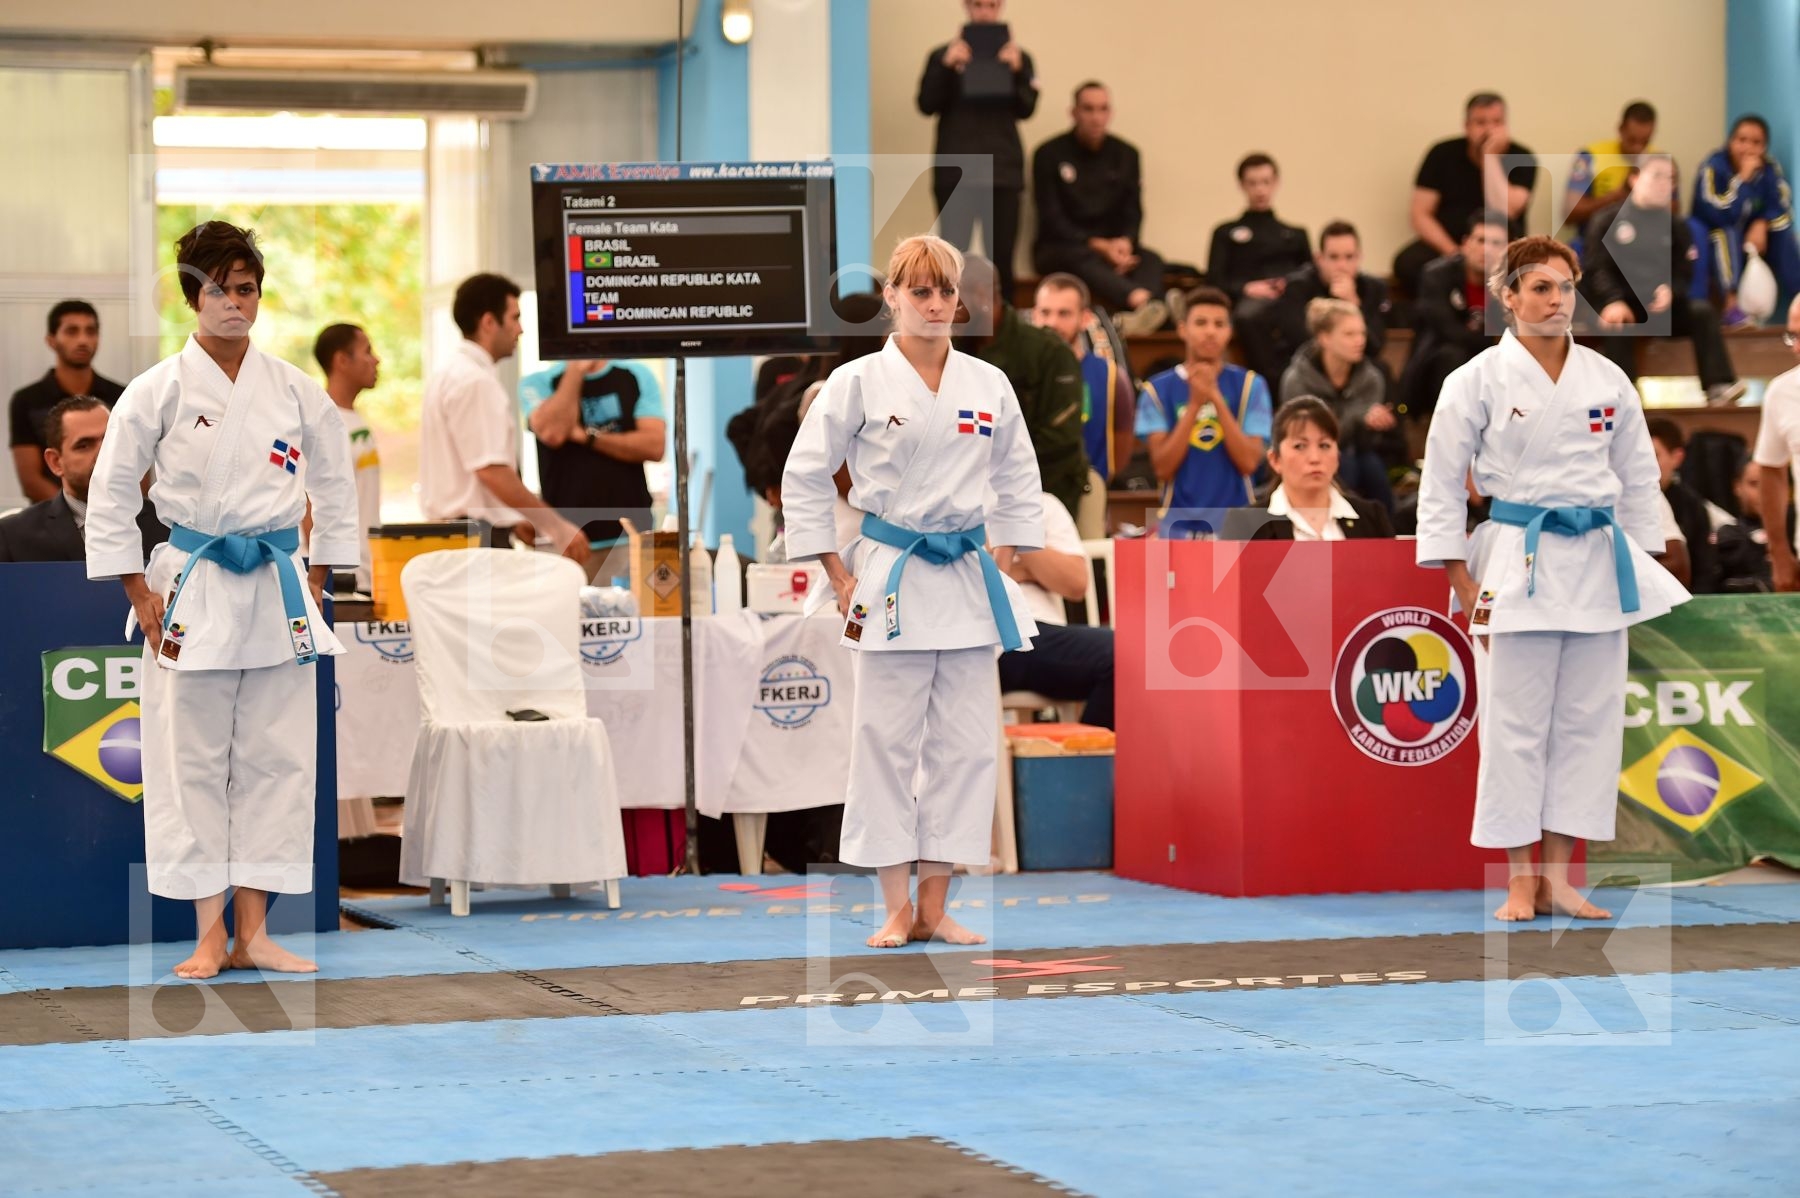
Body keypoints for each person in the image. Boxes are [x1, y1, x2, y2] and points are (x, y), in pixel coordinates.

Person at [84, 221, 361, 979]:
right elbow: (112, 491)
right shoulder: (157, 390)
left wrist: (320, 575)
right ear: (192, 298)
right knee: (190, 762)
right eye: (219, 291)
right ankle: (209, 934)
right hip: (193, 585)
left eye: (247, 289)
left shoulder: (294, 390)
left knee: (279, 759)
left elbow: (336, 485)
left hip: (277, 585)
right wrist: (136, 586)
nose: (235, 303)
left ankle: (256, 932)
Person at [780, 234, 1044, 949]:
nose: (934, 303)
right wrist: (836, 573)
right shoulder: (858, 381)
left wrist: (1002, 559)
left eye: (945, 291)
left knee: (967, 747)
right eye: (919, 291)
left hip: (964, 579)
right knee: (884, 743)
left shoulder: (987, 384)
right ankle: (895, 905)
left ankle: (936, 906)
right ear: (891, 296)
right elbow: (805, 474)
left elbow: (1019, 478)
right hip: (890, 574)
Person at [1415, 235, 1687, 923]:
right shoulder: (1475, 379)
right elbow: (1441, 485)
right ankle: (1519, 880)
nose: (1558, 299)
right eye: (1541, 287)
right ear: (1507, 297)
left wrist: (1641, 566)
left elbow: (1639, 480)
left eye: (1566, 287)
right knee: (1514, 724)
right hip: (1514, 560)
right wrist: (1460, 581)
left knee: (1587, 725)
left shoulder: (1607, 379)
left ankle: (1560, 879)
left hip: (1596, 562)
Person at [418, 273, 587, 565]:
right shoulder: (475, 381)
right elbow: (491, 471)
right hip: (475, 541)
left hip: (457, 537)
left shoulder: (449, 374)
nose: (520, 329)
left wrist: (513, 516)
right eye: (514, 318)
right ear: (488, 322)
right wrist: (556, 527)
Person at [1582, 157, 1742, 405]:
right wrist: (1612, 300)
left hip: (1660, 307)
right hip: (1619, 304)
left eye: (1670, 179)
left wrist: (1671, 291)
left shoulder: (1676, 225)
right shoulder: (1606, 220)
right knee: (1617, 322)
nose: (1664, 184)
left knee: (1702, 312)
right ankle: (1625, 397)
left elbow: (1683, 272)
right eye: (1657, 176)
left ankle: (1719, 385)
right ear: (1634, 179)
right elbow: (1596, 268)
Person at [917, 0, 1038, 297]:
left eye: (992, 5)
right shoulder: (941, 56)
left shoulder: (1020, 58)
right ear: (966, 6)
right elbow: (926, 103)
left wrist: (1017, 71)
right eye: (978, 5)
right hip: (956, 171)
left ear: (1001, 7)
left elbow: (1027, 108)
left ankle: (1004, 321)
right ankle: (950, 320)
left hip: (1002, 171)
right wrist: (947, 67)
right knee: (952, 258)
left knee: (1002, 259)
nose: (985, 12)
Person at [956, 255, 1089, 519]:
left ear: (981, 295)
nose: (940, 307)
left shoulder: (1048, 351)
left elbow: (1059, 441)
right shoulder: (951, 351)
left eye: (952, 296)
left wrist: (994, 480)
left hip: (1043, 499)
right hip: (966, 501)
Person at [1031, 82, 1168, 336]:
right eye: (1088, 109)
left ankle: (1140, 315)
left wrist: (1125, 243)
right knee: (1079, 257)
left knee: (1151, 258)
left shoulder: (1127, 154)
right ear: (1074, 113)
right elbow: (1051, 218)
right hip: (1063, 248)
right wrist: (1098, 246)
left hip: (1112, 247)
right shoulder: (1048, 153)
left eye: (1102, 109)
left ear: (1110, 113)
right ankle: (1142, 301)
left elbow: (1133, 211)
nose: (1096, 117)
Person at [1136, 285, 1272, 537]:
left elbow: (1248, 462)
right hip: (1177, 526)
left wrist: (1216, 398)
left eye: (1219, 324)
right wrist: (1195, 404)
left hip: (1237, 523)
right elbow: (1163, 468)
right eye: (1201, 323)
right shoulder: (1155, 390)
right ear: (1182, 329)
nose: (1210, 331)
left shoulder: (1252, 386)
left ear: (1229, 331)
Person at [518, 358, 666, 563]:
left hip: (630, 537)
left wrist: (586, 437)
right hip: (567, 541)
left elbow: (654, 446)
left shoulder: (636, 375)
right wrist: (576, 369)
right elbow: (553, 432)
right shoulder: (538, 382)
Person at [1393, 93, 1536, 297]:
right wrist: (1456, 254)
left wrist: (1490, 158)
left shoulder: (1523, 157)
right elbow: (1420, 214)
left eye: (1496, 122)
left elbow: (1507, 211)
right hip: (1451, 243)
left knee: (1527, 271)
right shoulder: (1442, 154)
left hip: (1503, 246)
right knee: (1407, 263)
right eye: (1480, 122)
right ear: (1467, 126)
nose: (1488, 130)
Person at [998, 489, 1114, 728]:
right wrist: (1036, 570)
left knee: (1127, 654)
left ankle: (1083, 747)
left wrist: (1013, 534)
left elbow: (1075, 583)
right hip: (987, 639)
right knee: (1119, 653)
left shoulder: (1043, 504)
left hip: (1043, 635)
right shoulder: (954, 506)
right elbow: (974, 581)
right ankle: (1085, 750)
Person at [0, 397, 165, 562]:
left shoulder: (166, 524)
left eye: (110, 440)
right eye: (84, 445)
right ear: (55, 462)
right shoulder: (12, 536)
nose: (104, 454)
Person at [1235, 220, 1392, 383]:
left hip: (1355, 369)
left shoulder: (1373, 288)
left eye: (1349, 257)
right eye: (1333, 257)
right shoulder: (1297, 287)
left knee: (1381, 370)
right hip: (1311, 370)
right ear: (1319, 258)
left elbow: (1375, 347)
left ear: (1359, 257)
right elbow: (1302, 342)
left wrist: (1353, 304)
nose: (1342, 265)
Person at [1278, 299, 1396, 512]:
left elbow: (1371, 443)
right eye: (1349, 334)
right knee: (1346, 466)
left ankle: (1387, 529)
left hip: (1360, 452)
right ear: (1324, 338)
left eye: (1362, 333)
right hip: (1311, 454)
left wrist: (1376, 424)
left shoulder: (1372, 378)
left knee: (1373, 470)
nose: (1360, 341)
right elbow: (1306, 435)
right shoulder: (1297, 380)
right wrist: (1359, 416)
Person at [1221, 397, 1395, 540]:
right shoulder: (1244, 525)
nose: (1315, 458)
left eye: (1324, 445)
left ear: (1338, 457)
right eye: (1300, 446)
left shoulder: (1372, 518)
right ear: (1275, 459)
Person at [9, 300, 126, 502]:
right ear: (51, 340)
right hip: (51, 515)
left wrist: (108, 510)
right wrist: (73, 512)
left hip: (118, 511)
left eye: (90, 331)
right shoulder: (27, 400)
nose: (83, 340)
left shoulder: (122, 396)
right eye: (72, 331)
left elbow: (137, 467)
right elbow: (31, 480)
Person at [1689, 114, 1800, 325]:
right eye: (1741, 140)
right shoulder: (1713, 166)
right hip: (1715, 232)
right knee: (1726, 233)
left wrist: (1762, 223)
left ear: (1764, 148)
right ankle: (1731, 306)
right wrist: (1742, 179)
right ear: (1730, 142)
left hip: (1752, 235)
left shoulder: (1769, 168)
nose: (1748, 148)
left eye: (1756, 142)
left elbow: (1781, 203)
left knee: (1784, 231)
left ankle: (1798, 297)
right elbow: (1716, 213)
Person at [1398, 211, 1509, 420]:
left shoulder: (1511, 283)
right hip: (1438, 364)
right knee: (1453, 354)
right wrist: (1487, 338)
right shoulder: (1436, 275)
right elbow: (1448, 331)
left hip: (1490, 364)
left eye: (1496, 243)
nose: (1486, 250)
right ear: (1466, 244)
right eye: (1481, 240)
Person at [1032, 273, 1136, 483]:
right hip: (1030, 492)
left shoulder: (1112, 376)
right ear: (1034, 316)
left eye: (1064, 313)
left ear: (1085, 318)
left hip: (1089, 492)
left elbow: (1122, 449)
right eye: (1045, 312)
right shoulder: (1015, 372)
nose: (1052, 322)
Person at [312, 323, 382, 591]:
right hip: (341, 581)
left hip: (367, 575)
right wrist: (323, 579)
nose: (376, 360)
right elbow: (309, 505)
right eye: (367, 351)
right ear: (341, 360)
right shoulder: (319, 422)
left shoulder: (355, 420)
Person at [1205, 155, 1310, 305]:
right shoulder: (1225, 233)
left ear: (1276, 183)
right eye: (1252, 183)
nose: (1260, 189)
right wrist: (1245, 288)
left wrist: (1286, 285)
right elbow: (1214, 282)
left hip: (1288, 304)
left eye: (1266, 182)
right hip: (1242, 307)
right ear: (1241, 185)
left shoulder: (1296, 236)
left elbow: (1310, 278)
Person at [1752, 295, 1800, 590]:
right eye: (1793, 336)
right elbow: (1770, 470)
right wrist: (1779, 552)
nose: (1796, 347)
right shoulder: (1782, 392)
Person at [1563, 101, 1662, 239]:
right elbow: (1570, 213)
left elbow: (1673, 215)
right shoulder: (1590, 156)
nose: (1637, 148)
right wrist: (1618, 195)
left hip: (1643, 242)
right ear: (1621, 129)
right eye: (1631, 140)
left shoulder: (1659, 161)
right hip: (1596, 241)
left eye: (1645, 142)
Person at [1647, 418, 1721, 593]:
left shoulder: (1693, 507)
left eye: (1654, 456)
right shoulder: (1623, 498)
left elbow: (1704, 571)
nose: (1645, 463)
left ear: (1677, 457)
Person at [1715, 456, 1774, 592]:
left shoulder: (1793, 534)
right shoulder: (1727, 535)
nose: (1763, 492)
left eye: (1769, 483)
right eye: (1754, 484)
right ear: (1738, 487)